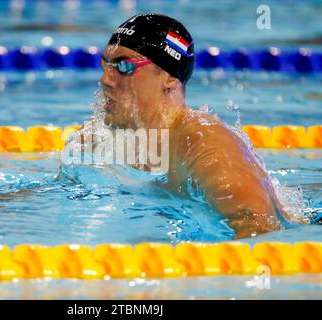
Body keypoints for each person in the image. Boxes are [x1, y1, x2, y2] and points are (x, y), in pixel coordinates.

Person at [77, 13, 292, 239]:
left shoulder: (202, 140)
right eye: (106, 64)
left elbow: (257, 228)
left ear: (169, 78)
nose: (105, 80)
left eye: (124, 66)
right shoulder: (96, 141)